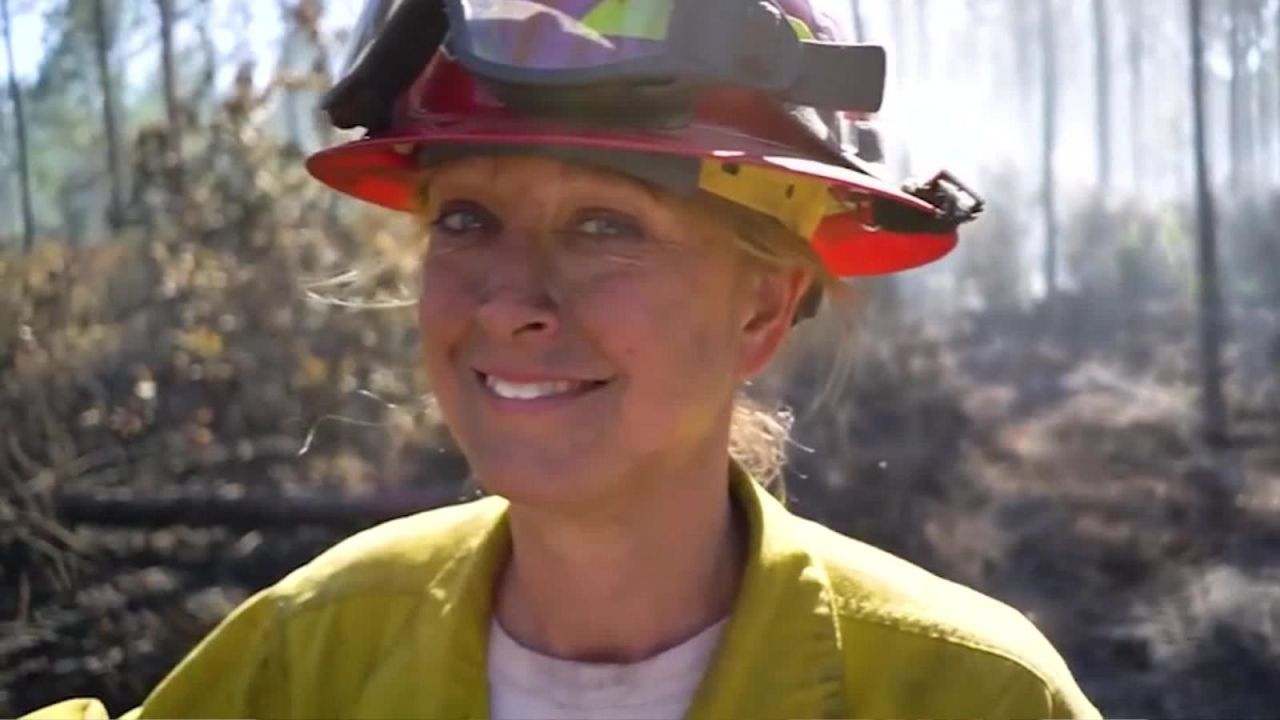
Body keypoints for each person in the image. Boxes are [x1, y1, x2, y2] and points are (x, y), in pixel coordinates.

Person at [25, 1, 1099, 718]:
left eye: (602, 228)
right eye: (466, 222)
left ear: (762, 308)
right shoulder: (314, 654)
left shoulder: (963, 693)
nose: (508, 301)